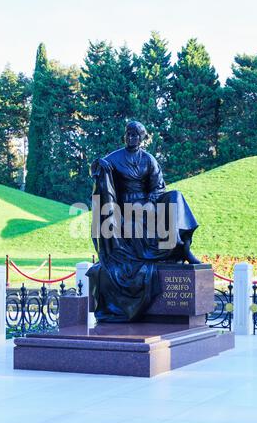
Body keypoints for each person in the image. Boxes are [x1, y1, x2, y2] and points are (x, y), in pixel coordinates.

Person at [86, 121, 200, 322]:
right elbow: (97, 169)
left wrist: (150, 201)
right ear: (125, 136)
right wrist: (98, 164)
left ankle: (183, 247)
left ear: (141, 138)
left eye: (135, 135)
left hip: (147, 203)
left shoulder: (148, 160)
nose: (131, 138)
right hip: (124, 207)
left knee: (176, 197)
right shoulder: (115, 157)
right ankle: (154, 251)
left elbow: (158, 186)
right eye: (128, 135)